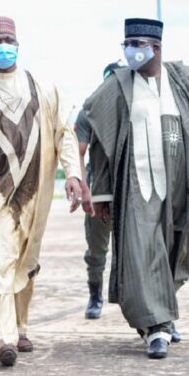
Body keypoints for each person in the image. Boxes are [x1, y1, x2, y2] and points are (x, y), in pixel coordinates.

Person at [0, 17, 82, 367]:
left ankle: (20, 327)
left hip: (33, 192)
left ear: (18, 45)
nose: (3, 47)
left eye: (8, 40)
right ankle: (4, 338)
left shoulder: (44, 88)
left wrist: (72, 173)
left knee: (24, 262)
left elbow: (64, 133)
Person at [85, 18, 189, 359]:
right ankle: (156, 329)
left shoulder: (183, 83)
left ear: (156, 47)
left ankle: (163, 314)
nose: (130, 51)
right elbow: (99, 140)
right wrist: (101, 191)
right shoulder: (118, 86)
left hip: (179, 186)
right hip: (135, 188)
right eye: (126, 44)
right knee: (140, 253)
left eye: (137, 44)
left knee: (174, 251)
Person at [74, 62, 122, 320]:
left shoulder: (134, 108)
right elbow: (78, 153)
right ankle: (95, 295)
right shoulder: (88, 112)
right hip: (99, 189)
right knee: (96, 250)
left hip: (129, 190)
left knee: (135, 250)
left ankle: (134, 300)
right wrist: (85, 189)